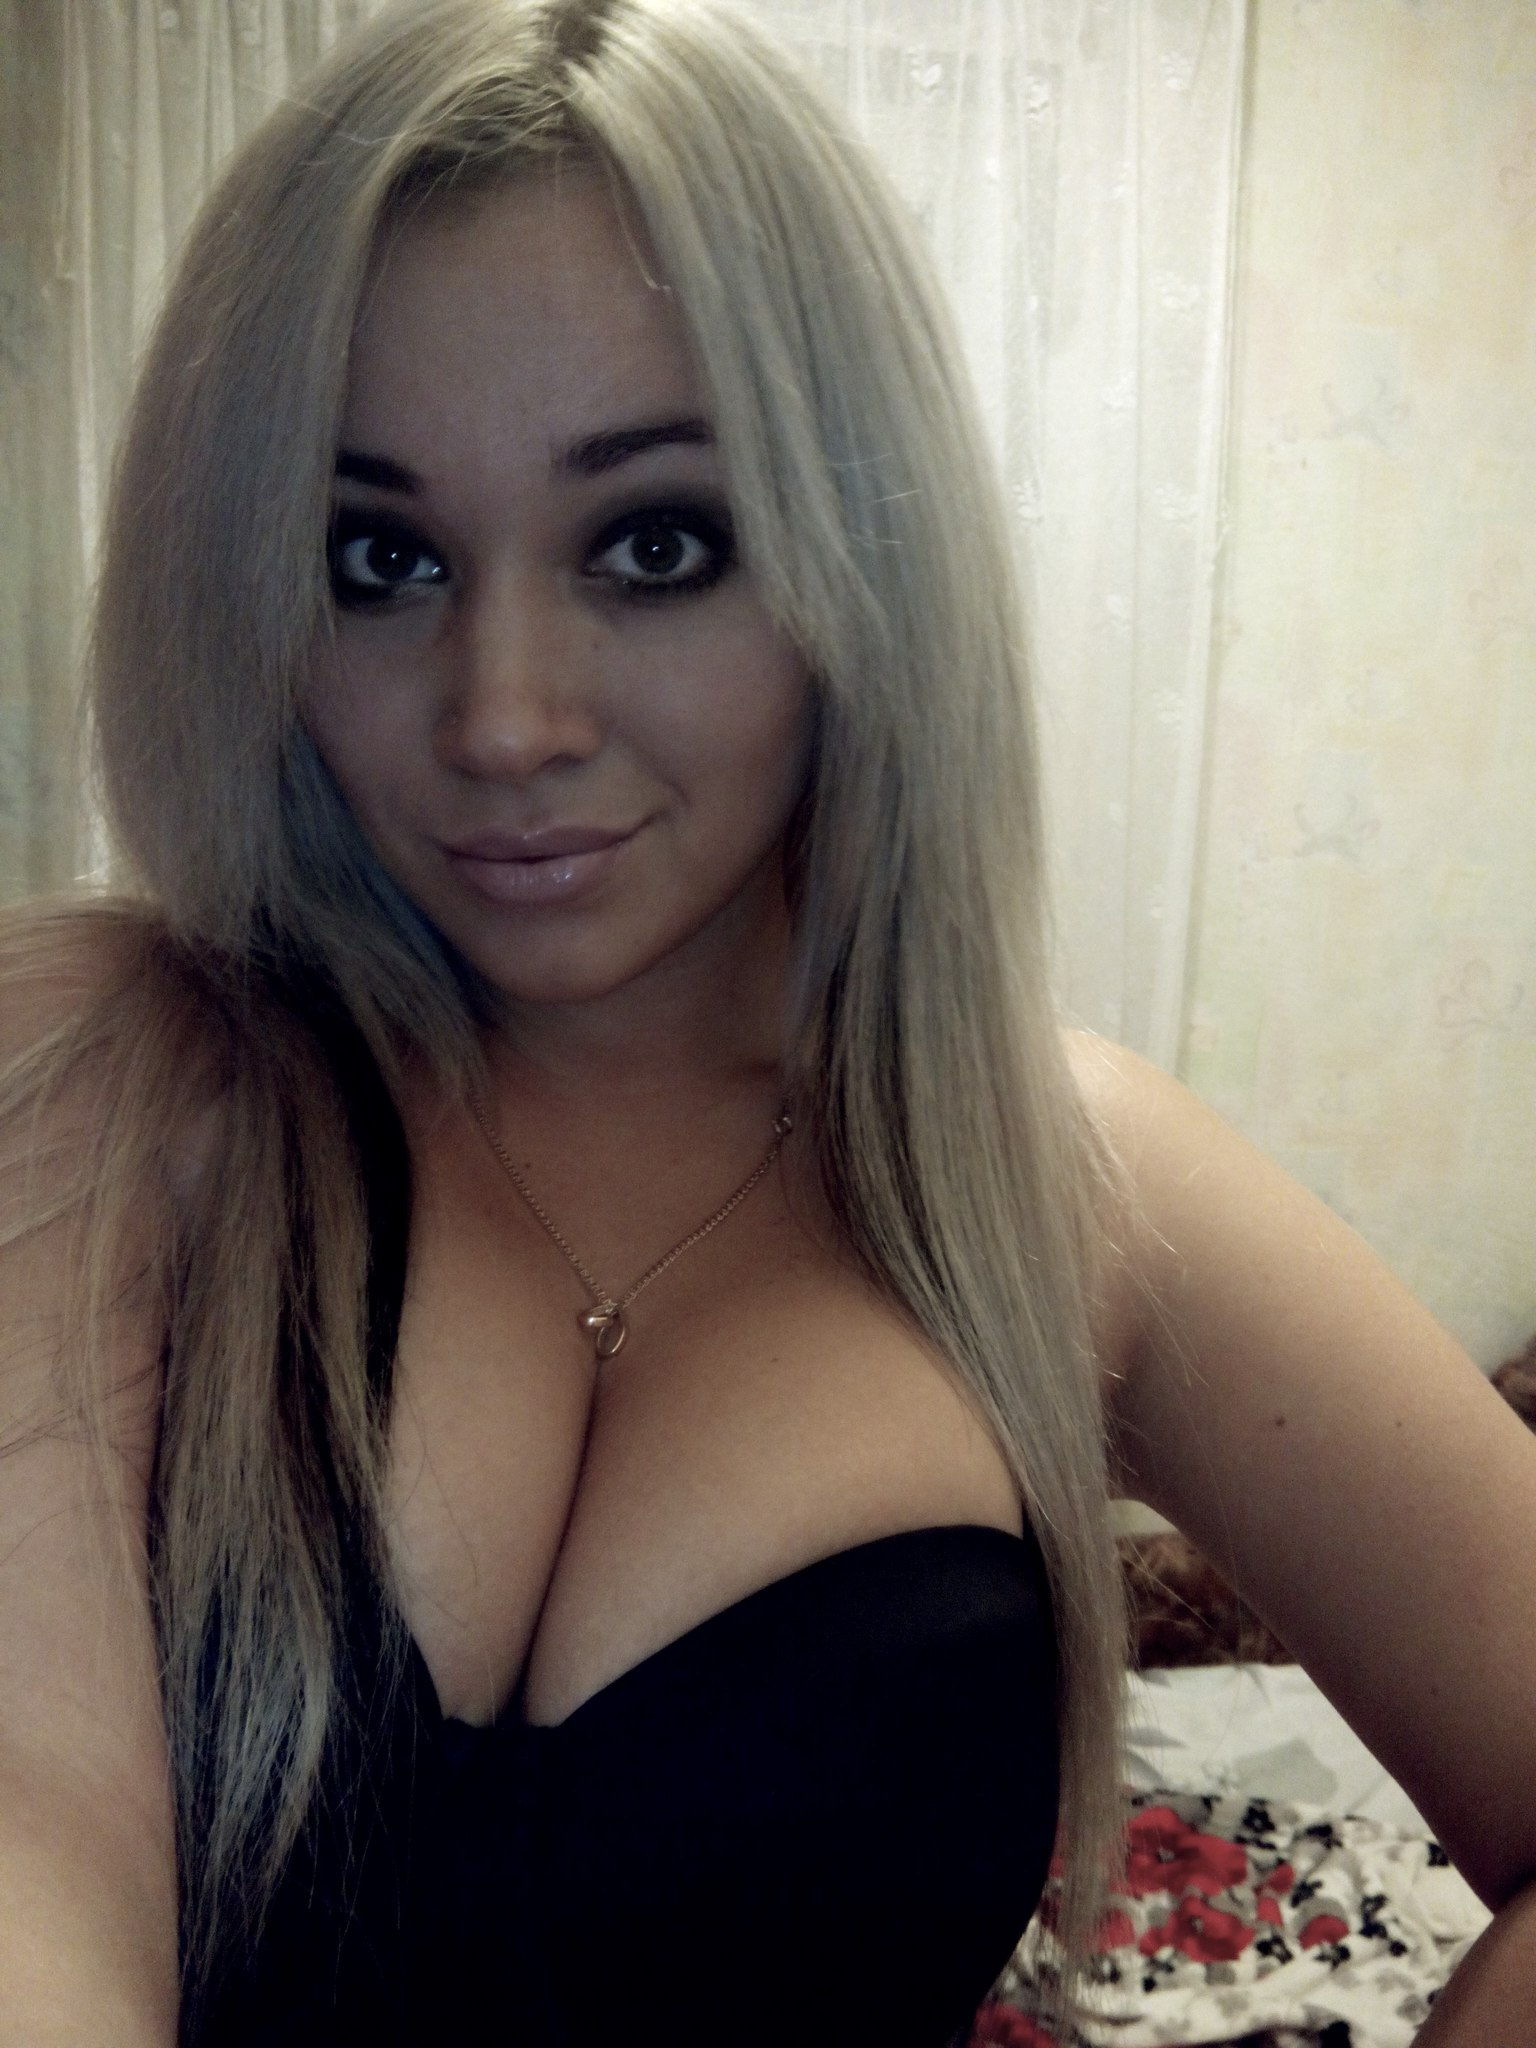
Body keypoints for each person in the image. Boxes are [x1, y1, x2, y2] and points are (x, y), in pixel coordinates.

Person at [2, 0, 1534, 2041]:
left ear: (856, 562)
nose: (504, 718)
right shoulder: (100, 1078)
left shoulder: (1065, 1182)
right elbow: (31, 1829)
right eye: (377, 557)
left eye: (659, 543)